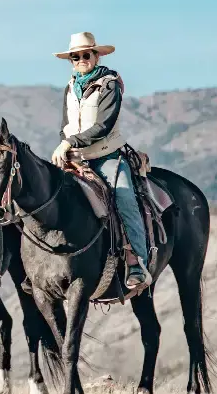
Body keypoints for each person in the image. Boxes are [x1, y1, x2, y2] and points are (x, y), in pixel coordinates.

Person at [51, 31, 152, 292]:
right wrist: (65, 143)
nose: (81, 59)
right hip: (76, 159)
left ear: (96, 56)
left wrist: (70, 143)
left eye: (86, 55)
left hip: (106, 156)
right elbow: (66, 125)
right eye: (76, 57)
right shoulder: (70, 87)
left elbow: (103, 126)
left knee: (124, 198)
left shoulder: (109, 84)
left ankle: (136, 261)